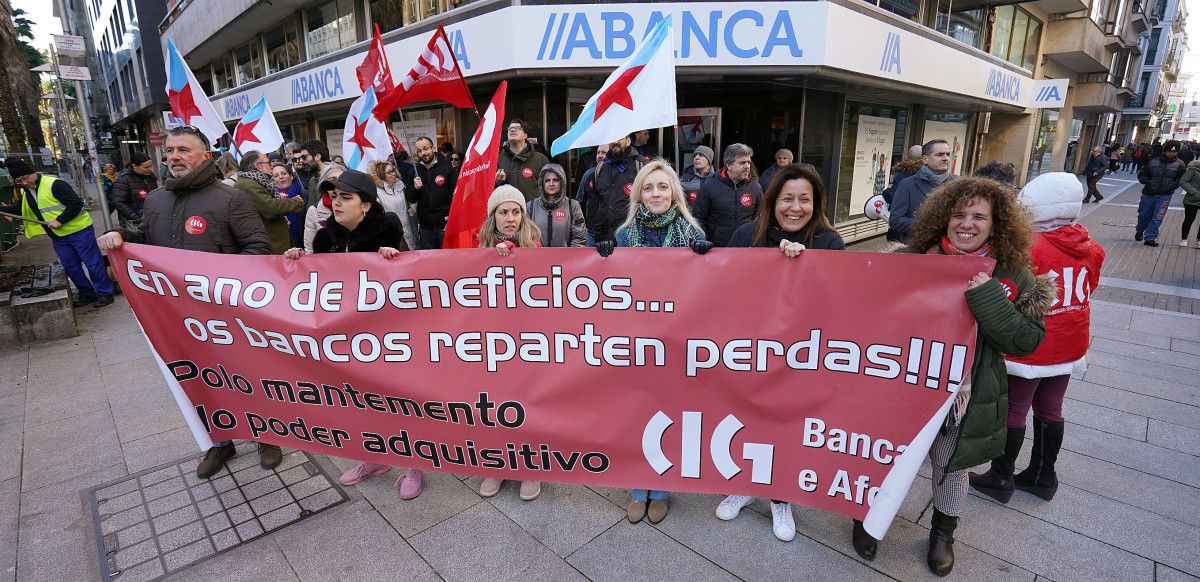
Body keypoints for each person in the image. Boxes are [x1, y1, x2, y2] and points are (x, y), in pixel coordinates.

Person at [850, 177, 1049, 576]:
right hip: (900, 384)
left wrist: (989, 296)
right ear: (943, 218)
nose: (967, 223)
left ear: (997, 224)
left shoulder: (1014, 276)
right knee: (880, 457)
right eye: (959, 213)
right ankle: (866, 519)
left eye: (979, 216)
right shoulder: (911, 258)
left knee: (950, 465)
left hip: (961, 395)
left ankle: (943, 533)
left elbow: (1026, 341)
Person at [96, 125, 276, 479]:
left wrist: (223, 287)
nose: (173, 157)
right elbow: (147, 240)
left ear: (205, 156)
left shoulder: (230, 198)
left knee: (244, 376)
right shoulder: (157, 199)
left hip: (224, 314)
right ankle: (218, 442)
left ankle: (265, 436)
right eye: (169, 151)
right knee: (195, 380)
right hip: (176, 316)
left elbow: (258, 247)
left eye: (183, 150)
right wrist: (121, 237)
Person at [719, 164, 843, 542]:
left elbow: (837, 305)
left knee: (786, 426)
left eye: (804, 199)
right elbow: (724, 287)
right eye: (787, 198)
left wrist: (806, 268)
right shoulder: (746, 234)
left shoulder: (830, 242)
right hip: (750, 351)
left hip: (800, 358)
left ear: (816, 203)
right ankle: (745, 483)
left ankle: (780, 496)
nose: (795, 207)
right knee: (747, 419)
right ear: (773, 202)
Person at [969, 172, 1103, 505]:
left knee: (1014, 410)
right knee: (1051, 409)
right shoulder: (1091, 245)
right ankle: (1044, 475)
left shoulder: (1029, 248)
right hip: (1071, 340)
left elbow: (1012, 288)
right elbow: (1092, 285)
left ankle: (1001, 476)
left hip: (1035, 344)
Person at [596, 161, 710, 524]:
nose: (656, 194)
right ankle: (637, 486)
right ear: (639, 193)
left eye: (662, 187)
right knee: (634, 414)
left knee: (666, 415)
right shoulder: (626, 234)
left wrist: (708, 257)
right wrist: (603, 256)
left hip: (674, 342)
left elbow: (706, 290)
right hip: (635, 341)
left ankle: (660, 488)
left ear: (673, 192)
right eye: (649, 188)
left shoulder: (691, 231)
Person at [473, 185, 544, 500]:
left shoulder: (535, 245)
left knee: (528, 403)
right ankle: (497, 465)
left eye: (516, 211)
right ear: (493, 217)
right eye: (504, 212)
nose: (510, 218)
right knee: (496, 405)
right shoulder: (478, 250)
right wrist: (492, 258)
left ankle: (531, 467)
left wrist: (517, 258)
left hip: (528, 341)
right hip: (492, 341)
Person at [3, 158, 115, 308]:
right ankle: (87, 294)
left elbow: (76, 203)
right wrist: (3, 210)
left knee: (92, 263)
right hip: (58, 237)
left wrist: (59, 220)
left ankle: (105, 294)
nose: (23, 183)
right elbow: (21, 209)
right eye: (19, 181)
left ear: (33, 173)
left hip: (79, 231)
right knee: (70, 266)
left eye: (24, 178)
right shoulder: (27, 192)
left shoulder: (54, 184)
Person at [692, 143, 762, 247]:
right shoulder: (709, 186)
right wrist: (703, 242)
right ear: (728, 165)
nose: (747, 166)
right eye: (742, 163)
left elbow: (761, 216)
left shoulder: (755, 187)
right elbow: (698, 219)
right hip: (716, 250)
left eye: (748, 162)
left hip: (745, 248)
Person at [235, 151, 305, 254]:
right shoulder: (248, 185)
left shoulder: (255, 181)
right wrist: (296, 201)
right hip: (269, 245)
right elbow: (271, 208)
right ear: (259, 166)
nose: (271, 166)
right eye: (268, 163)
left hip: (273, 242)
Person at [888, 139, 953, 245]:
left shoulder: (957, 183)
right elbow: (896, 221)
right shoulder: (907, 184)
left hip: (948, 250)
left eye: (947, 154)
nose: (945, 158)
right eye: (940, 155)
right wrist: (929, 226)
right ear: (925, 159)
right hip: (916, 248)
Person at [584, 134, 642, 244]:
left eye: (619, 138)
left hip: (630, 239)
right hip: (603, 240)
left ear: (628, 141)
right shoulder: (600, 168)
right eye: (612, 138)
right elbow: (598, 203)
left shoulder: (640, 166)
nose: (615, 141)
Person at [407, 136, 456, 249]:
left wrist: (452, 220)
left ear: (433, 148)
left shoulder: (447, 168)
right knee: (430, 263)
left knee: (449, 260)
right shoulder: (414, 170)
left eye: (425, 148)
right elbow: (410, 198)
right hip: (426, 228)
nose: (423, 153)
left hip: (445, 225)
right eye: (419, 151)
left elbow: (456, 195)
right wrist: (415, 188)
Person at [1136, 140, 1186, 246]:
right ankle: (1140, 230)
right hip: (1149, 193)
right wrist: (1148, 182)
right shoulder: (1153, 161)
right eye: (1169, 151)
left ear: (1177, 152)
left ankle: (1150, 237)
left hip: (1165, 195)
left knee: (1158, 216)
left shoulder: (1180, 165)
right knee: (1143, 215)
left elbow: (1181, 179)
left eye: (1174, 152)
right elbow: (1142, 175)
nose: (1171, 153)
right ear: (1165, 150)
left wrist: (1173, 186)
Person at [527, 163, 585, 247]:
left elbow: (579, 238)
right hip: (537, 257)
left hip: (565, 258)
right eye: (547, 180)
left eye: (555, 180)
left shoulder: (572, 206)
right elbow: (525, 236)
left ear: (562, 182)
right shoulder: (531, 206)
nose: (551, 184)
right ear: (541, 183)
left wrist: (571, 258)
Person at [495, 119, 550, 201]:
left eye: (517, 128)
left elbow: (550, 187)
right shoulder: (497, 159)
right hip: (506, 211)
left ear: (525, 135)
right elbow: (487, 189)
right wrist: (497, 182)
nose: (513, 130)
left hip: (532, 211)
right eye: (510, 128)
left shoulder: (541, 159)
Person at [368, 159, 414, 251]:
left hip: (408, 230)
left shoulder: (400, 185)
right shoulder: (377, 192)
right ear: (381, 174)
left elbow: (410, 201)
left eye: (393, 170)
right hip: (391, 233)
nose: (393, 174)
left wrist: (413, 207)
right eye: (389, 172)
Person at [303, 164, 347, 253]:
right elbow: (309, 250)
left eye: (341, 180)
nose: (336, 184)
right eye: (332, 180)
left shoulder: (356, 207)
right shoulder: (314, 211)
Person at [112, 152, 159, 232]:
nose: (149, 169)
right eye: (146, 167)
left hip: (153, 219)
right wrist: (137, 218)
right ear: (134, 166)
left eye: (150, 166)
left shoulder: (150, 176)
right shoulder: (124, 179)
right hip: (136, 223)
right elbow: (118, 202)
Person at [575, 144, 609, 245]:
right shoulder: (588, 174)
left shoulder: (618, 174)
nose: (600, 155)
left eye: (604, 153)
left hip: (612, 231)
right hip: (591, 231)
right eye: (598, 152)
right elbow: (579, 202)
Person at [271, 162, 306, 248]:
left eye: (284, 173)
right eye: (276, 175)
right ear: (273, 181)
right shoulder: (271, 199)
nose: (281, 177)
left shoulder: (304, 194)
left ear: (291, 176)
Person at [298, 140, 337, 208]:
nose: (301, 161)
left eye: (304, 157)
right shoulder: (312, 180)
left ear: (317, 156)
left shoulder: (335, 177)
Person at [1177, 154, 1200, 248]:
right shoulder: (1193, 170)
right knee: (1189, 219)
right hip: (1192, 199)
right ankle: (1184, 239)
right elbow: (1183, 181)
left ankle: (1199, 241)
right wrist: (1194, 192)